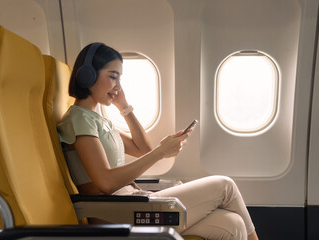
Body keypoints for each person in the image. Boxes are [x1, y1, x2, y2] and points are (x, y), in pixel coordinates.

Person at [57, 42, 259, 240]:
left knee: (232, 225)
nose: (118, 86)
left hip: (131, 203)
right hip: (115, 213)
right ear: (87, 76)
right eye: (113, 77)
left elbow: (143, 149)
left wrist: (124, 107)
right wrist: (161, 152)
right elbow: (106, 182)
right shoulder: (79, 119)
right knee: (225, 185)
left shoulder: (98, 120)